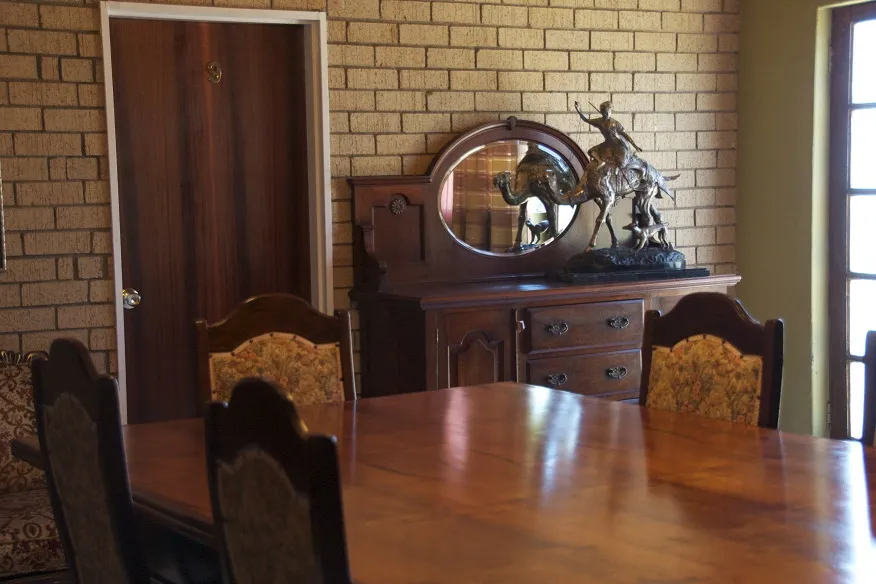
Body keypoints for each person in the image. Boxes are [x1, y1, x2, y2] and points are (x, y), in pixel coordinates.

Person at [575, 101, 643, 172]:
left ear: (610, 111)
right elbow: (586, 120)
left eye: (608, 112)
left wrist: (635, 145)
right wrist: (579, 110)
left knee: (622, 164)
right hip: (608, 144)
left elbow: (625, 135)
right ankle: (600, 161)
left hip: (618, 144)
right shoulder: (599, 121)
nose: (607, 114)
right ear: (602, 112)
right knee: (591, 152)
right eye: (604, 112)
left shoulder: (615, 123)